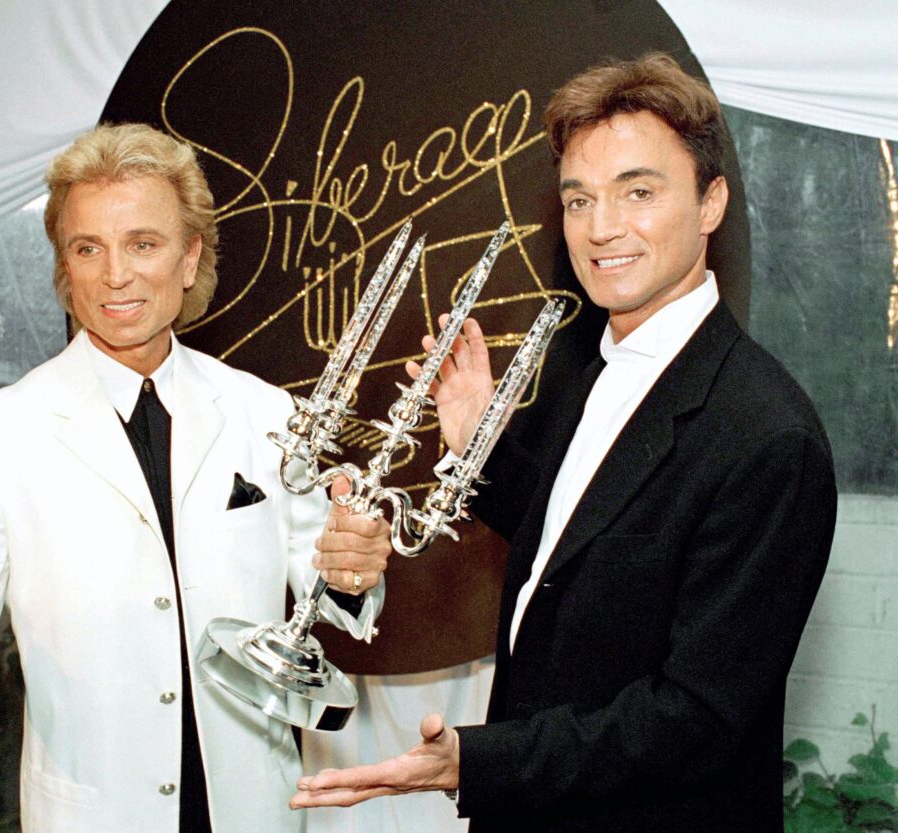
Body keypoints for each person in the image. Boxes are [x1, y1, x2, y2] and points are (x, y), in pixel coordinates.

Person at [291, 52, 838, 832]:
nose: (602, 227)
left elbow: (695, 718)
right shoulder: (593, 372)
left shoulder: (769, 436)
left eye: (639, 192)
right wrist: (474, 444)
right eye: (579, 200)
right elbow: (586, 552)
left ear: (712, 202)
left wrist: (478, 761)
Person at [0, 122, 393, 833]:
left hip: (258, 813)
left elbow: (331, 589)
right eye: (89, 248)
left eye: (143, 243)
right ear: (64, 268)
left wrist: (355, 568)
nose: (116, 274)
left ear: (188, 257)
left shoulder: (266, 412)